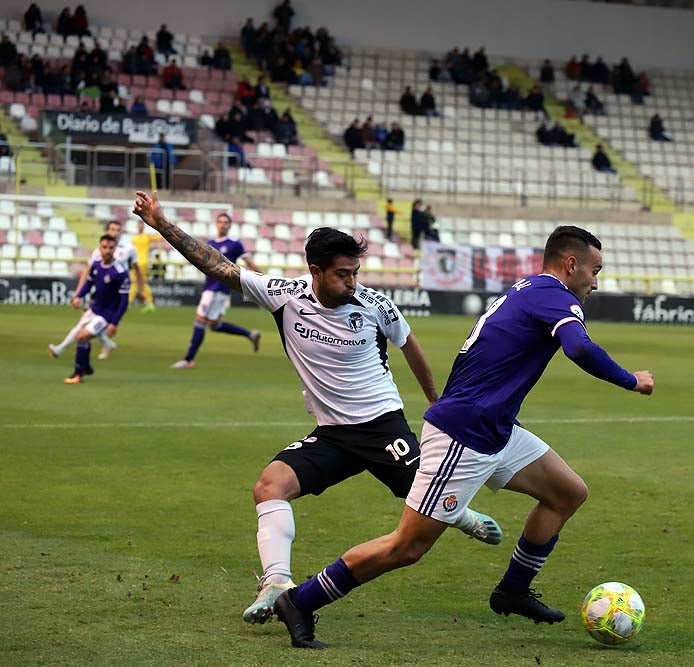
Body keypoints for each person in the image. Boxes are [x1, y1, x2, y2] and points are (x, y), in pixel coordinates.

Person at [266, 225, 654, 649]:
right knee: (406, 547)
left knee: (567, 492)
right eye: (595, 271)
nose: (595, 282)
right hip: (464, 434)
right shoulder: (554, 296)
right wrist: (631, 380)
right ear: (571, 264)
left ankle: (513, 590)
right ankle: (300, 601)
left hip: (496, 427)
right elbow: (579, 348)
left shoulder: (528, 289)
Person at [130, 191, 504, 627]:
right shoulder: (284, 296)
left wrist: (436, 402)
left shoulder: (375, 304)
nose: (352, 282)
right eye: (343, 274)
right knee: (270, 486)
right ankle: (276, 583)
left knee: (423, 500)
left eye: (356, 272)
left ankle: (460, 513)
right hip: (331, 434)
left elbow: (409, 343)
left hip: (382, 426)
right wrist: (161, 223)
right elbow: (216, 264)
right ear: (315, 271)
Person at [169, 213, 262, 369]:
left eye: (226, 222)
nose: (223, 225)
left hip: (218, 288)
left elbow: (249, 262)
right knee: (213, 324)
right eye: (220, 222)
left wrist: (262, 279)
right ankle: (250, 334)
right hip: (210, 287)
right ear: (216, 224)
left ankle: (188, 360)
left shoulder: (234, 244)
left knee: (200, 321)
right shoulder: (211, 243)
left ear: (230, 225)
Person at [48, 234, 130, 384]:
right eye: (104, 247)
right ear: (100, 248)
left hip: (106, 316)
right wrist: (78, 296)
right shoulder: (97, 265)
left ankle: (78, 374)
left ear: (115, 249)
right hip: (94, 309)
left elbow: (124, 302)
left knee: (81, 337)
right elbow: (88, 284)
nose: (107, 251)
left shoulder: (120, 273)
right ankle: (85, 367)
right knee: (79, 334)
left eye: (111, 248)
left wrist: (114, 323)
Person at [57, 220, 141, 360]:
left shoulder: (128, 249)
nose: (115, 232)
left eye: (118, 230)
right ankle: (103, 345)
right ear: (107, 231)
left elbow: (136, 269)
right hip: (99, 292)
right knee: (86, 323)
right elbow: (89, 273)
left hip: (115, 293)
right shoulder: (99, 251)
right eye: (112, 229)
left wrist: (141, 288)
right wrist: (78, 294)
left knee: (88, 329)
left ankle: (82, 360)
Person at [127, 219, 161, 312]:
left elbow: (158, 238)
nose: (140, 226)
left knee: (135, 283)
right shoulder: (139, 238)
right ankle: (150, 303)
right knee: (141, 283)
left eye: (141, 225)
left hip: (140, 263)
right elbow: (159, 237)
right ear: (138, 226)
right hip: (140, 263)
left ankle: (129, 303)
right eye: (139, 225)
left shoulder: (140, 238)